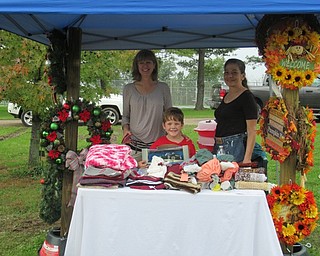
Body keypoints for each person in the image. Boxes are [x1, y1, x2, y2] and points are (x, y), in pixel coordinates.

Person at [122, 49, 172, 154]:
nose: (145, 66)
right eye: (141, 63)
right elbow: (126, 116)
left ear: (154, 65)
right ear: (137, 66)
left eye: (148, 62)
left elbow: (169, 115)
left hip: (159, 143)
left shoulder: (163, 88)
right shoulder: (128, 89)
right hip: (134, 144)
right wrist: (125, 130)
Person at [213, 58, 257, 163]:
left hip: (236, 147)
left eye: (234, 73)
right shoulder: (227, 95)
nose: (230, 76)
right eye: (227, 73)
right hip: (220, 146)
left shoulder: (247, 97)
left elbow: (252, 131)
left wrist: (247, 159)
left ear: (242, 75)